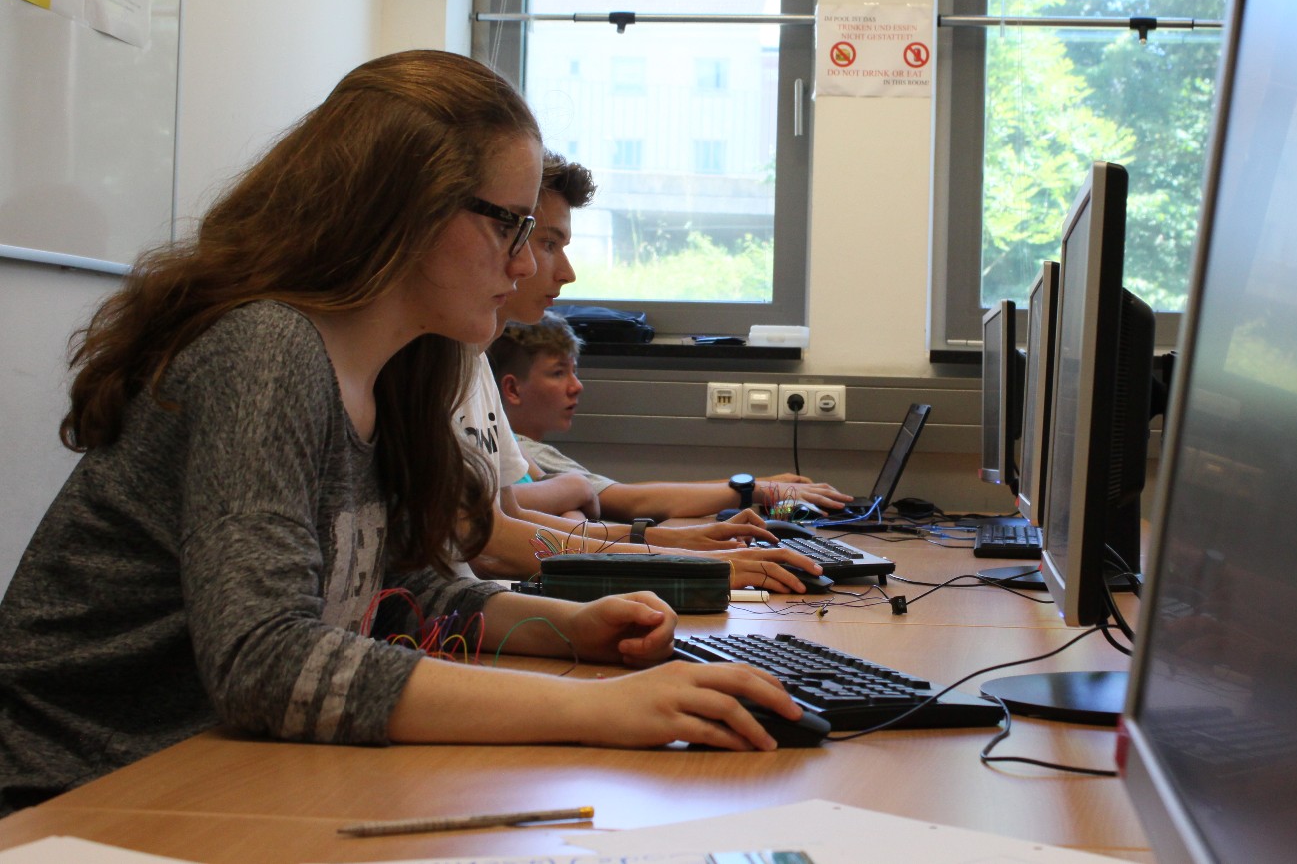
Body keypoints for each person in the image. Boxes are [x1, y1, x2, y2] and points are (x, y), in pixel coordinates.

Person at [0, 51, 801, 816]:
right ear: (408, 209)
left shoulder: (397, 372)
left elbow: (391, 595)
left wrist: (571, 627)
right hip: (75, 796)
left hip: (214, 773)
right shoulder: (266, 351)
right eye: (511, 225)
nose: (525, 264)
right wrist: (596, 708)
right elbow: (265, 660)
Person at [454, 154, 826, 593]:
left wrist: (669, 543)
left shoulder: (474, 361)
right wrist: (682, 557)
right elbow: (493, 545)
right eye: (548, 244)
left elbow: (510, 521)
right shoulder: (447, 361)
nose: (565, 272)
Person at [489, 315, 850, 519]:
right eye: (558, 373)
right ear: (512, 389)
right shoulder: (526, 453)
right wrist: (756, 490)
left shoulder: (530, 452)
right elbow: (632, 502)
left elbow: (628, 493)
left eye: (575, 371)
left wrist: (758, 483)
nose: (576, 386)